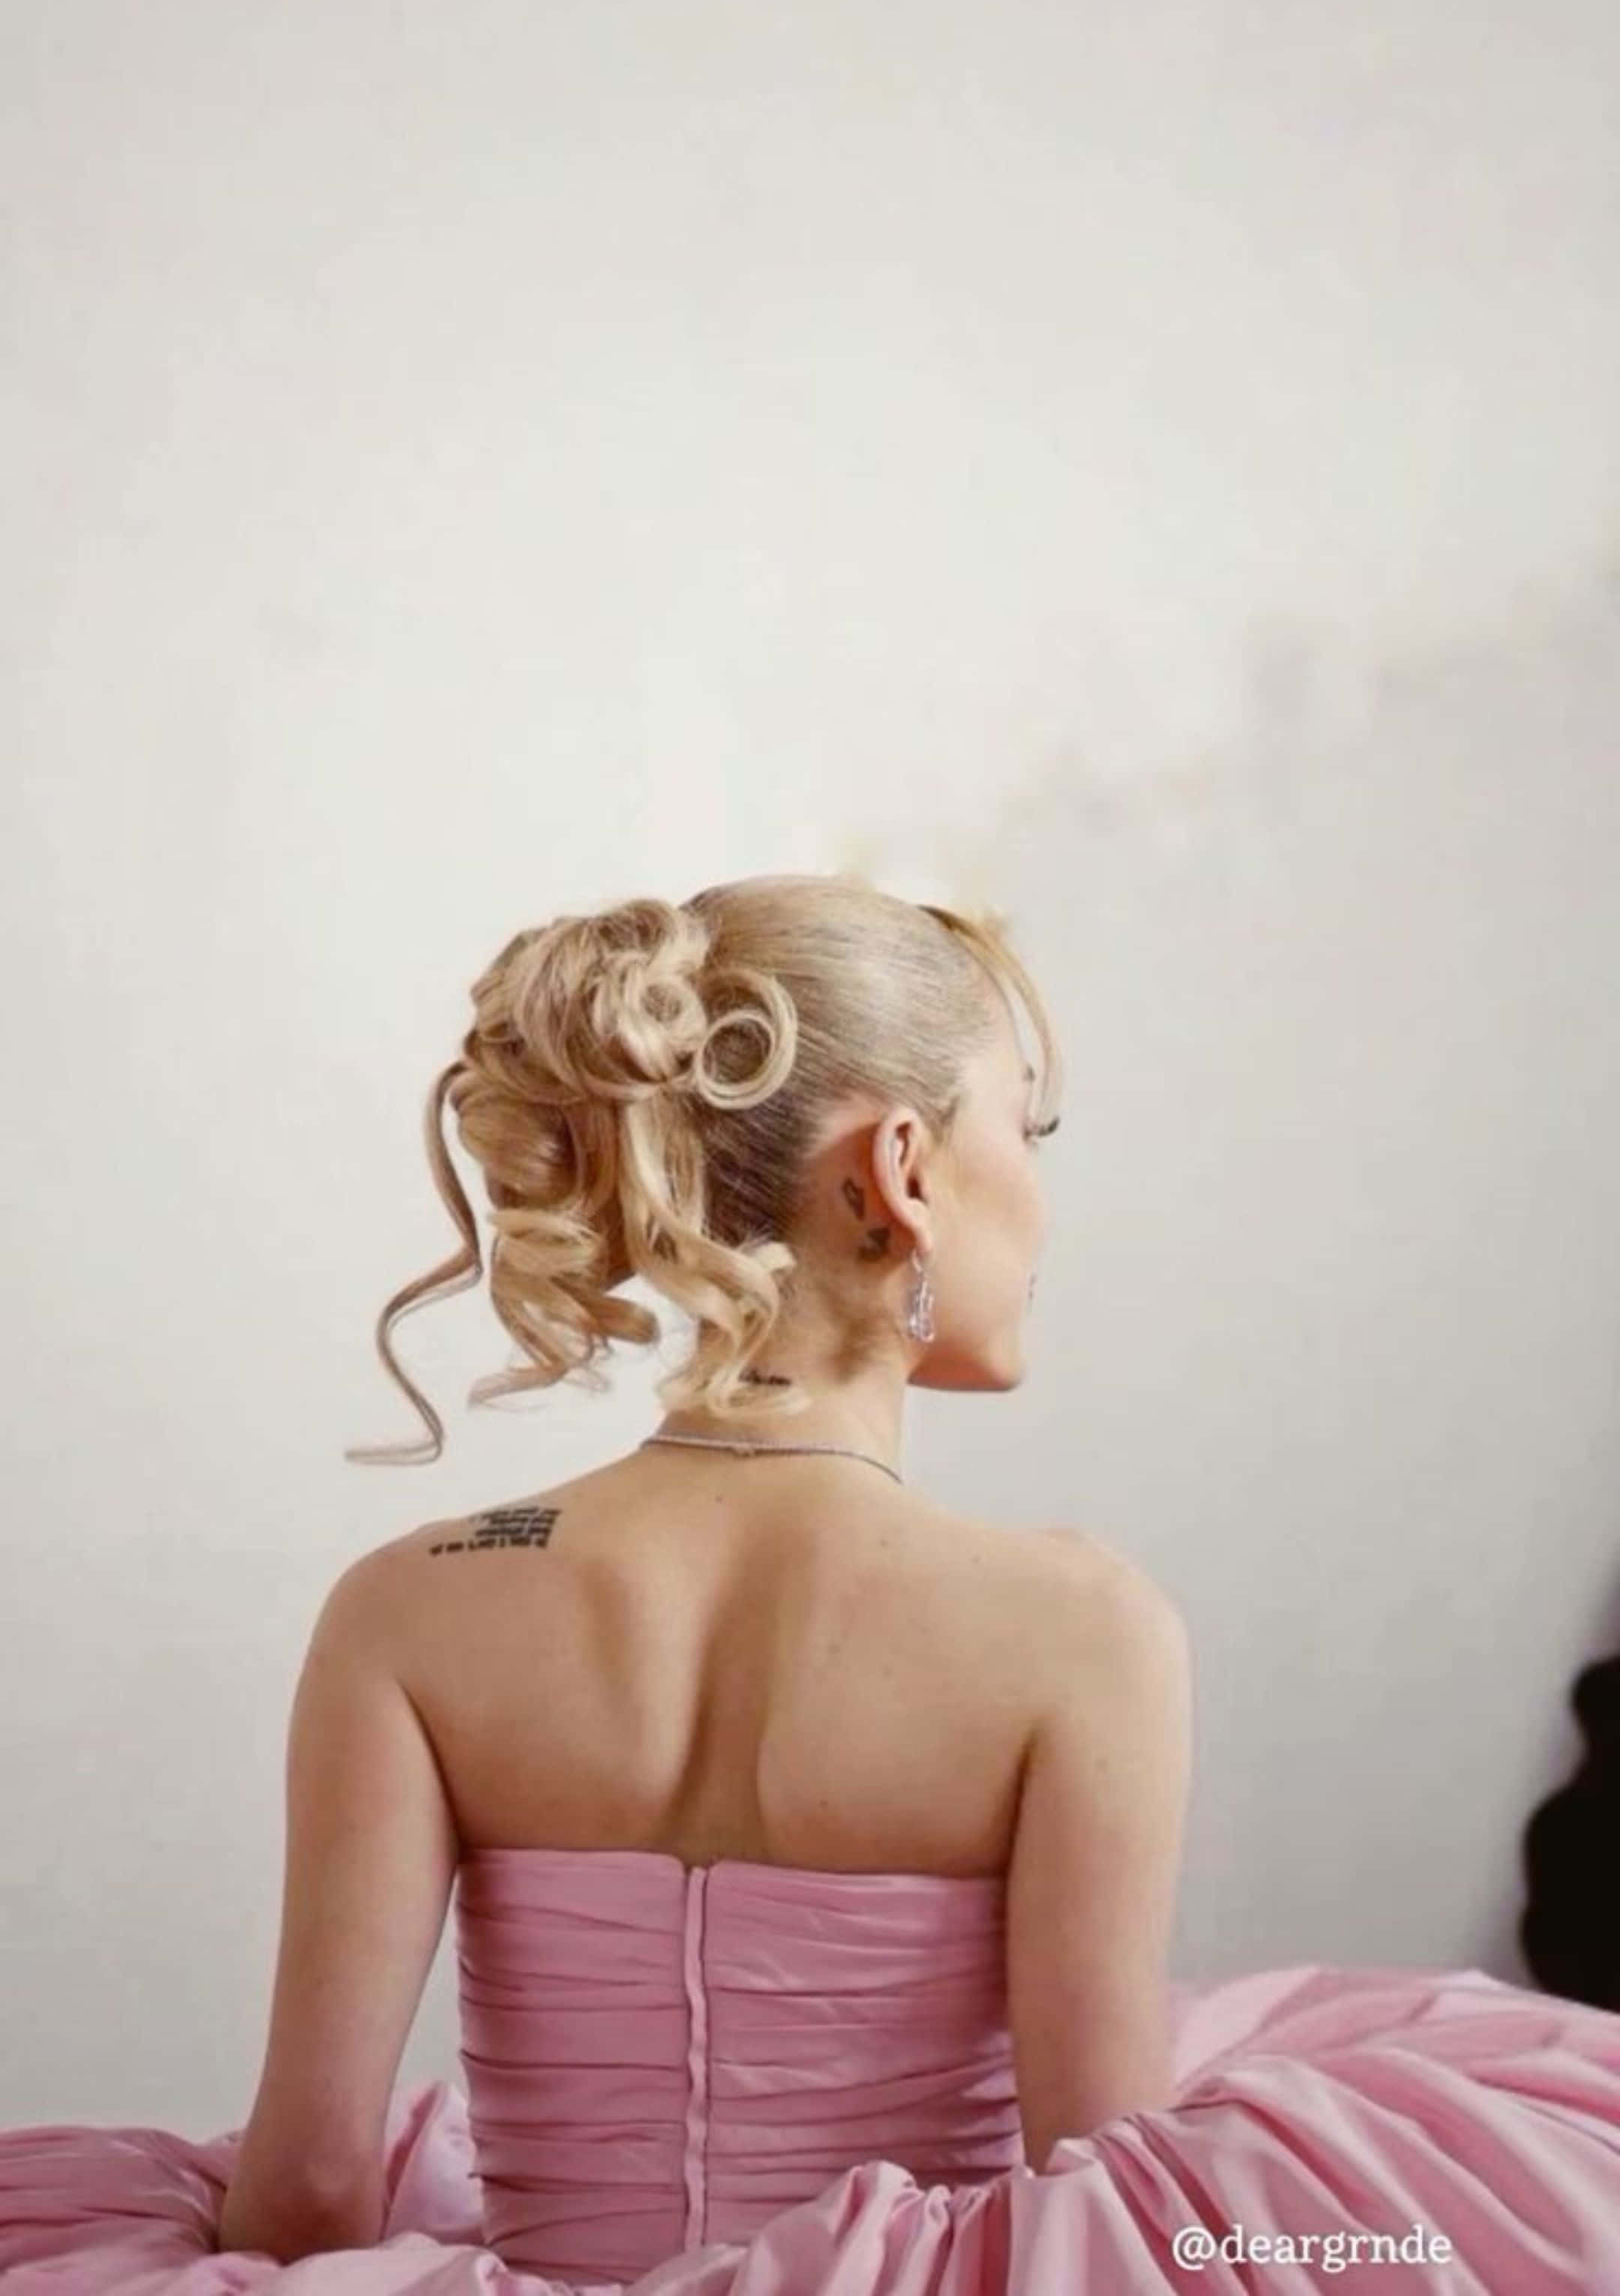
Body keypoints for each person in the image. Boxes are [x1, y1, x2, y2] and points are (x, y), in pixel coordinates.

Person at [3, 871, 1618, 2294]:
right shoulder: (1079, 1630)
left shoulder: (409, 1607)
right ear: (904, 1166)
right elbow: (1111, 2214)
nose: (1042, 1193)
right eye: (1026, 1129)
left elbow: (305, 2193)